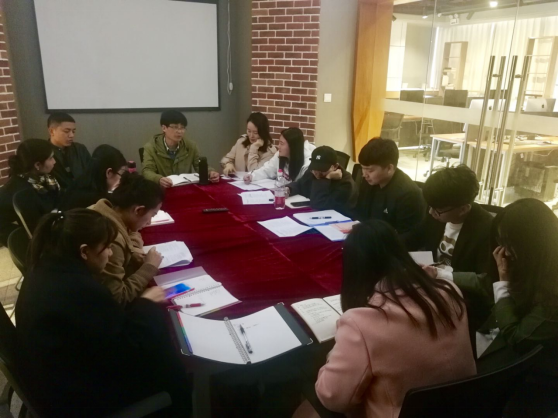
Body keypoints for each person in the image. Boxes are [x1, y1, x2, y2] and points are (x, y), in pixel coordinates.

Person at [15, 209, 191, 417]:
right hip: (82, 398)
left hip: (59, 378)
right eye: (106, 247)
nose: (110, 254)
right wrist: (147, 304)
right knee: (173, 359)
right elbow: (126, 350)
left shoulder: (45, 267)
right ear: (84, 251)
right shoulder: (80, 291)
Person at [305, 221, 475, 417]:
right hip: (466, 408)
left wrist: (333, 353)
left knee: (305, 387)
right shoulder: (450, 290)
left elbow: (332, 397)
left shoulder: (361, 323)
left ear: (354, 268)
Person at [424, 198, 558, 416]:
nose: (503, 251)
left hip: (533, 375)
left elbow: (517, 337)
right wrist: (439, 274)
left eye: (509, 243)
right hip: (495, 340)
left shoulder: (553, 291)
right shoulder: (534, 260)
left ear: (532, 244)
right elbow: (488, 283)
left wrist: (503, 283)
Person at [90, 173, 164, 305]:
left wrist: (132, 249)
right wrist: (149, 267)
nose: (149, 222)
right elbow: (117, 298)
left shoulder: (108, 210)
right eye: (152, 215)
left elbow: (132, 231)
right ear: (138, 210)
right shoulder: (111, 239)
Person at [353, 137, 425, 249]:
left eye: (370, 170)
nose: (364, 174)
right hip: (369, 240)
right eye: (363, 168)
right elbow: (361, 213)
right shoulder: (370, 182)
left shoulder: (408, 194)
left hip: (390, 248)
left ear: (389, 168)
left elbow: (408, 237)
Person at [420, 165, 493, 273]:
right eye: (430, 206)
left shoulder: (486, 230)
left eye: (437, 210)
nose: (431, 212)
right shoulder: (436, 208)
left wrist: (440, 273)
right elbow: (417, 237)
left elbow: (481, 277)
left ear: (463, 209)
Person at [0, 139, 59, 244]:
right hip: (17, 236)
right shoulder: (23, 192)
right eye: (50, 158)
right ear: (37, 165)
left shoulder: (43, 178)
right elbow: (38, 230)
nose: (54, 161)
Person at [142, 110, 219, 187]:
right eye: (175, 127)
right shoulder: (151, 147)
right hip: (162, 189)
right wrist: (159, 179)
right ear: (164, 128)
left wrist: (210, 172)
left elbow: (199, 166)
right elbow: (147, 171)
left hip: (185, 188)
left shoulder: (191, 146)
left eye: (182, 128)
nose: (180, 131)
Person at [286, 145, 357, 216]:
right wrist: (289, 189)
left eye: (322, 169)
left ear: (335, 166)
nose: (316, 173)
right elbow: (301, 184)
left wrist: (326, 179)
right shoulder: (313, 171)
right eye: (314, 167)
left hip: (335, 219)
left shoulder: (346, 184)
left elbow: (318, 204)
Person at [59, 144, 127, 211]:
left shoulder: (78, 185)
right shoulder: (99, 203)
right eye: (121, 174)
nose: (122, 179)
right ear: (109, 173)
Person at [243, 127, 315, 183]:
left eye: (282, 143)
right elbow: (267, 170)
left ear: (292, 146)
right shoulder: (279, 155)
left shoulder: (307, 163)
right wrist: (252, 176)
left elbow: (302, 186)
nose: (278, 146)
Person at [47, 112, 92, 190]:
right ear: (52, 131)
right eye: (66, 131)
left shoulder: (80, 149)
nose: (71, 135)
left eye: (73, 131)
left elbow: (91, 173)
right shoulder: (44, 152)